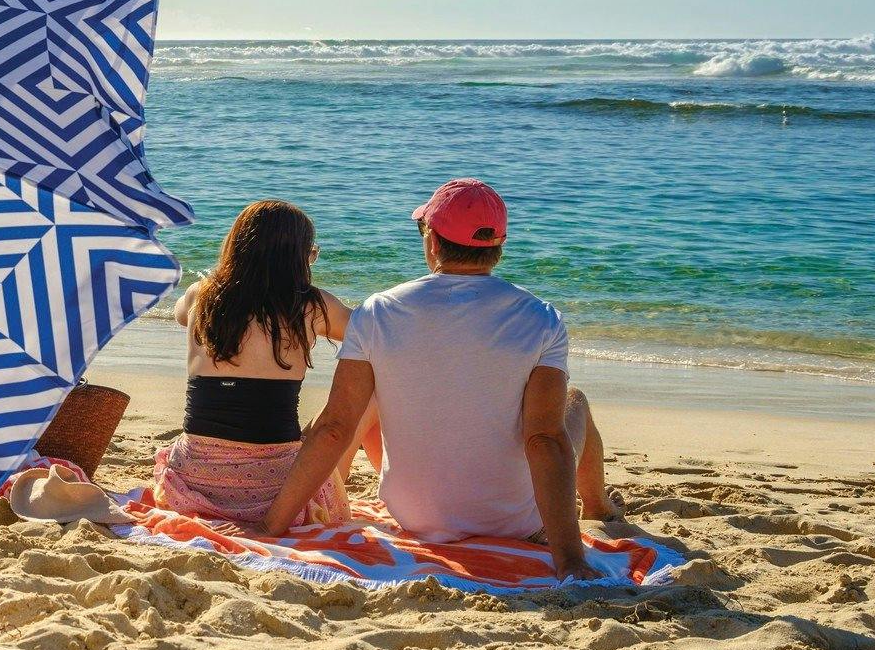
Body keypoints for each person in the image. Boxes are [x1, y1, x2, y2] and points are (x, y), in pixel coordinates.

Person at [258, 179, 618, 577]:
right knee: (574, 403)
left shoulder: (377, 313)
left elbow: (333, 429)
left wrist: (273, 525)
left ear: (432, 241)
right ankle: (599, 506)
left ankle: (598, 505)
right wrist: (570, 560)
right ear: (498, 247)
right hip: (513, 523)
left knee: (369, 397)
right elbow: (543, 439)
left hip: (414, 516)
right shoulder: (541, 319)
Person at [154, 200, 377, 530]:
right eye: (311, 253)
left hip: (194, 481)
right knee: (364, 399)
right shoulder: (312, 306)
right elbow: (367, 335)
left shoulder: (200, 296)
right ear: (297, 258)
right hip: (273, 492)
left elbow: (181, 317)